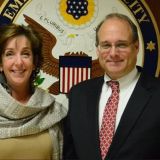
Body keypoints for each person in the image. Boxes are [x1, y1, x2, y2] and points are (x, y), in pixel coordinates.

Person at [63, 13, 160, 160]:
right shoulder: (78, 94)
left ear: (136, 47)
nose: (113, 53)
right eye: (106, 45)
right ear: (98, 49)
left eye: (121, 44)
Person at [0, 23, 67, 160]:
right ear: (0, 64)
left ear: (34, 62)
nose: (18, 62)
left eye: (25, 54)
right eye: (10, 54)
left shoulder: (52, 110)